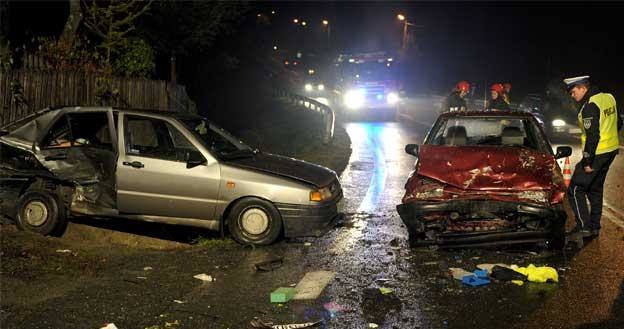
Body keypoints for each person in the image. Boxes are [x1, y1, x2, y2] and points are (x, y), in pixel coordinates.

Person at [565, 75, 623, 237]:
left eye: (573, 91)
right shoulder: (608, 97)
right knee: (595, 188)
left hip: (597, 153)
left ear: (583, 88)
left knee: (575, 188)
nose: (572, 95)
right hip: (611, 151)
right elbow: (618, 122)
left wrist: (587, 161)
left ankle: (583, 226)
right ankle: (595, 227)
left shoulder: (589, 106)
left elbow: (593, 136)